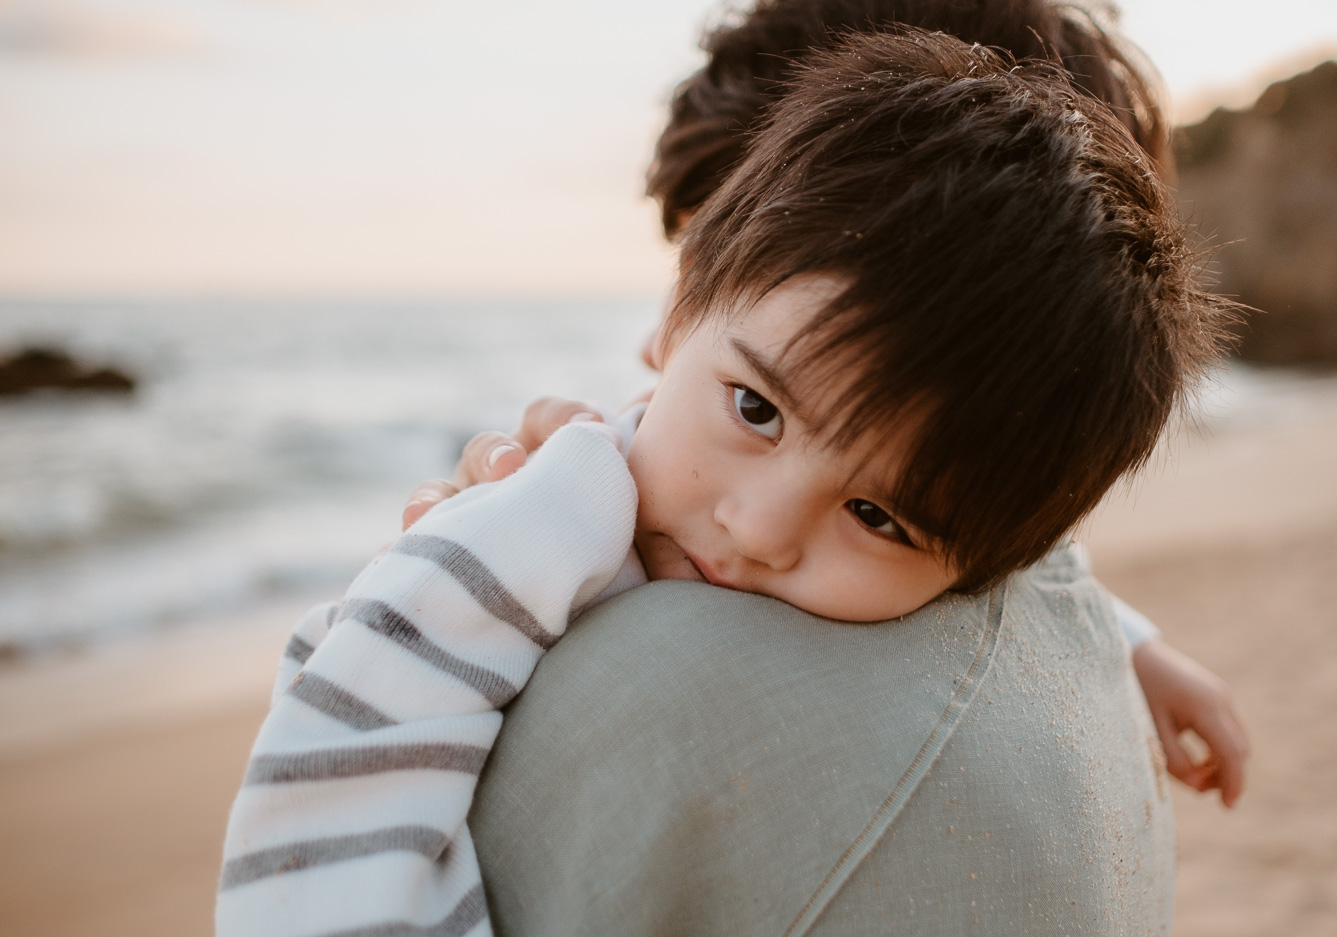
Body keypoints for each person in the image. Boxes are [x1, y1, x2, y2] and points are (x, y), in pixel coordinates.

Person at [219, 30, 1234, 936]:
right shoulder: (556, 507)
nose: (756, 528)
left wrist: (1122, 633)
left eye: (875, 517)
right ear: (677, 314)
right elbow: (346, 746)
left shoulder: (898, 536)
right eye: (755, 409)